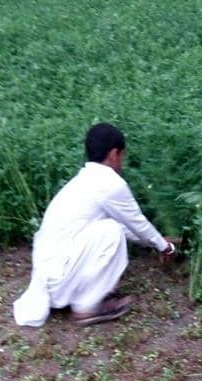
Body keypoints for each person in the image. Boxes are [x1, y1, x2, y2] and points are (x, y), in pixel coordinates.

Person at [13, 123, 176, 327]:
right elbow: (136, 222)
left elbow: (129, 226)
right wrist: (165, 247)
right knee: (111, 231)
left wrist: (157, 243)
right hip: (57, 279)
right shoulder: (110, 184)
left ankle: (83, 295)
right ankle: (86, 308)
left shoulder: (85, 181)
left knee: (111, 228)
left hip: (50, 275)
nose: (122, 162)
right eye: (122, 156)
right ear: (114, 154)